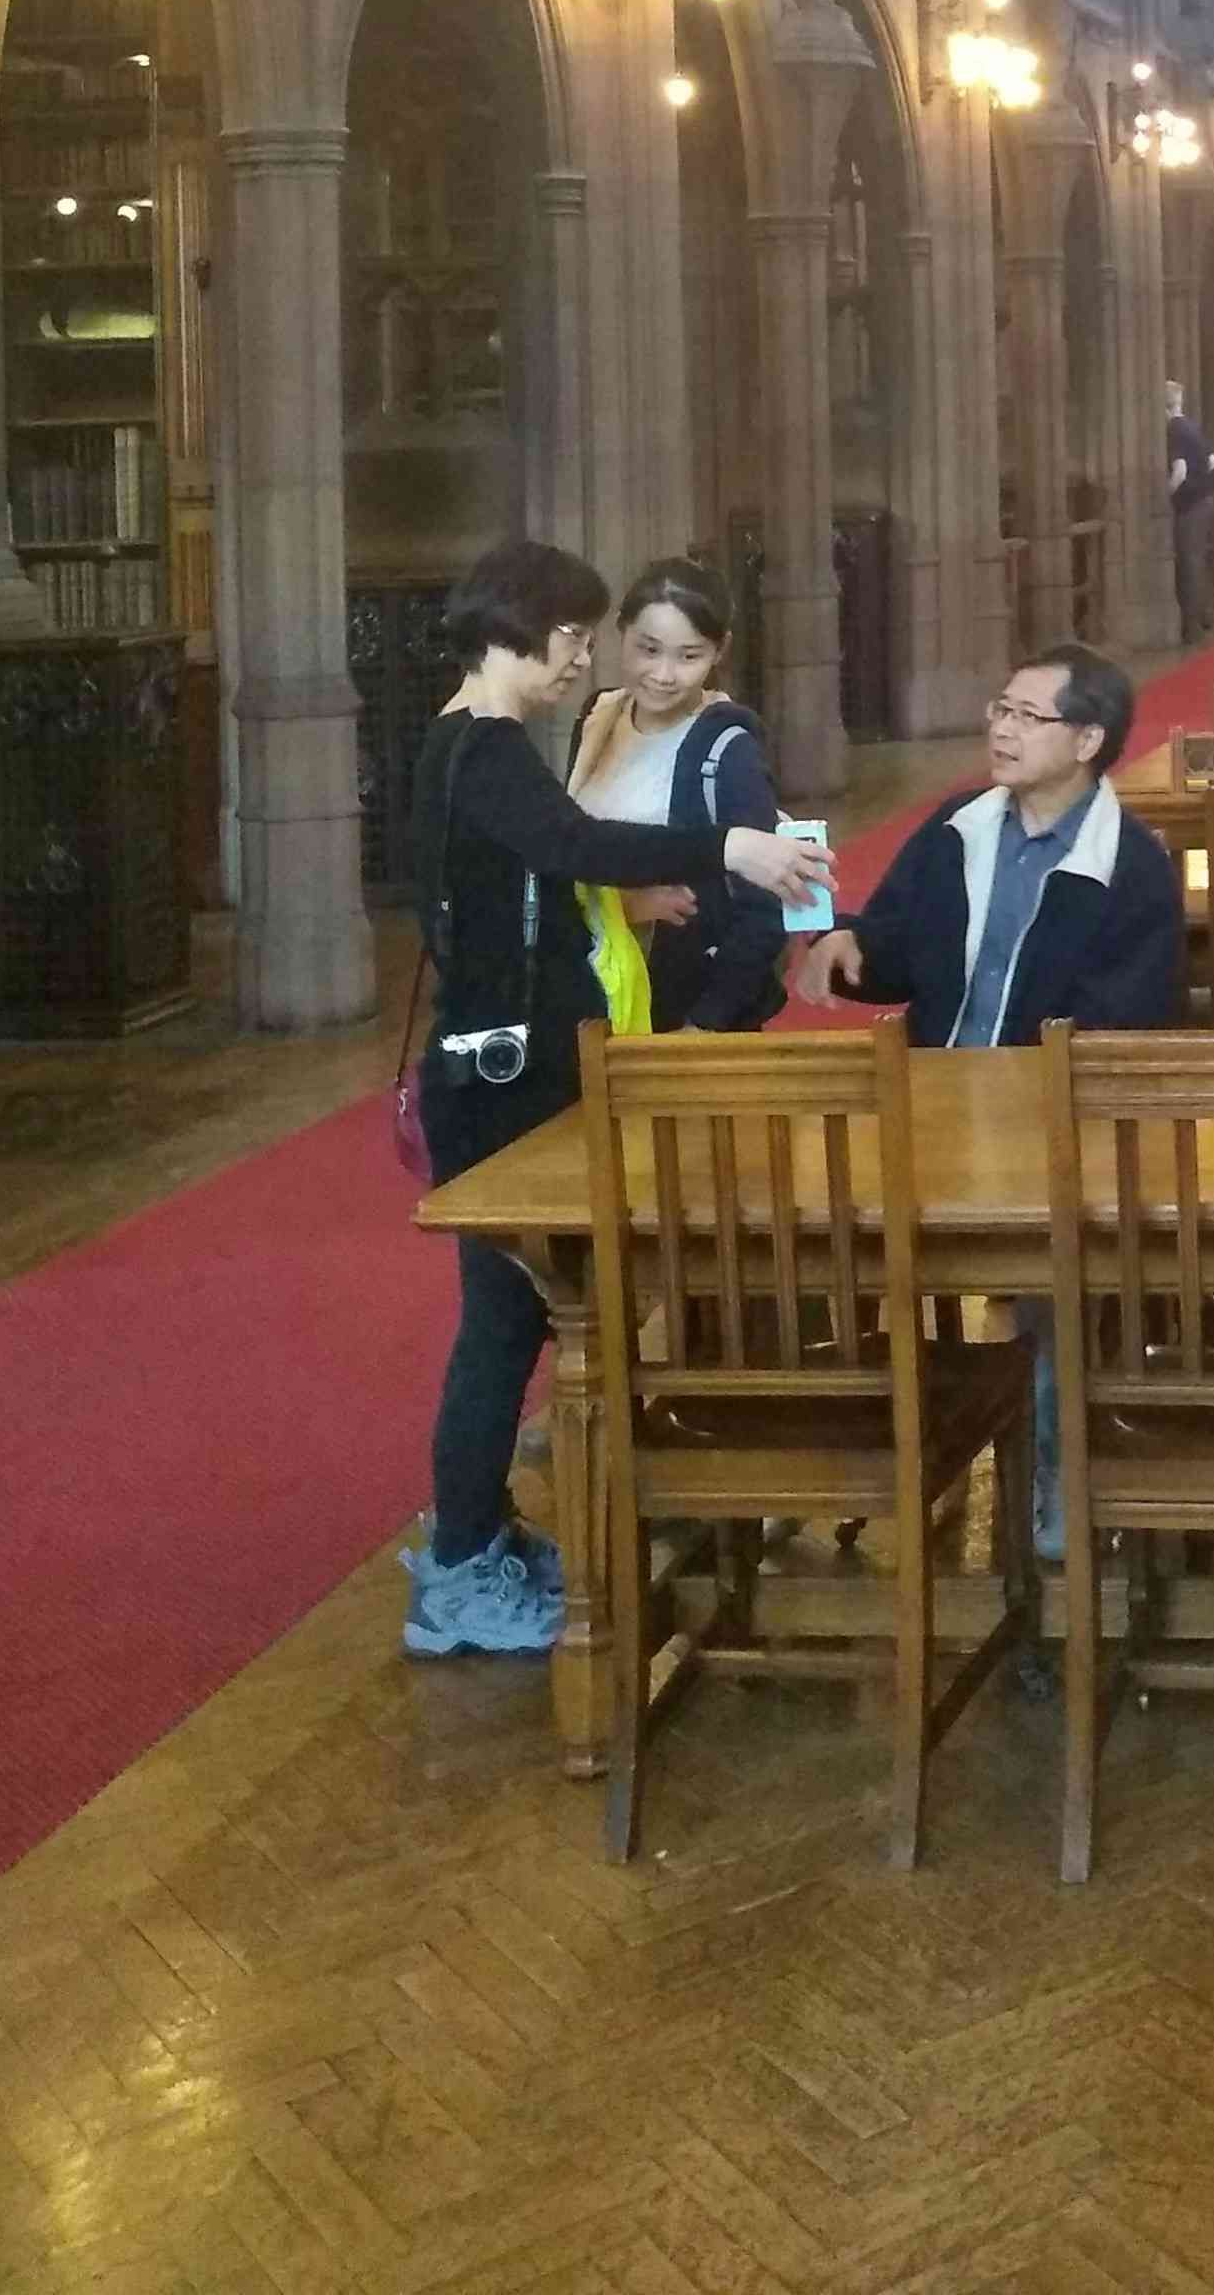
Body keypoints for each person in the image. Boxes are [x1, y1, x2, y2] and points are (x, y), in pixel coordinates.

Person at [402, 539, 830, 1662]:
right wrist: (728, 841)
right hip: (499, 1086)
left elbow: (538, 874)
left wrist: (628, 894)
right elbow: (573, 839)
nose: (586, 657)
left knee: (520, 1319)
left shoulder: (464, 742)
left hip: (500, 1064)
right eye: (581, 636)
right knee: (501, 1328)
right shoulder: (487, 746)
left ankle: (479, 1535)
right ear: (536, 631)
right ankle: (457, 1570)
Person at [793, 643, 1183, 1554]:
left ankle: (1055, 1481)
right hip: (928, 1108)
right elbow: (894, 943)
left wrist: (1018, 1099)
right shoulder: (955, 830)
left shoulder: (1130, 866)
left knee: (1060, 1283)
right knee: (808, 1226)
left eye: (1027, 716)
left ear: (1088, 739)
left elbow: (1124, 1023)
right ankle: (822, 1452)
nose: (1002, 730)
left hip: (1048, 1124)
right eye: (998, 710)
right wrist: (848, 946)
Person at [565, 555, 787, 1031]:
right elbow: (572, 854)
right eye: (648, 649)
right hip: (595, 1001)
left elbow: (764, 913)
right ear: (620, 631)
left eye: (689, 657)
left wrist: (705, 1025)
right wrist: (627, 907)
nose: (664, 675)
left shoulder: (727, 750)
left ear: (718, 650)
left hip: (678, 1010)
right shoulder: (597, 719)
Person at [1163, 379, 1214, 643]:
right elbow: (1212, 461)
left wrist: (1165, 495)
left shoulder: (1173, 429)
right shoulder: (1193, 426)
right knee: (1198, 560)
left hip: (1190, 504)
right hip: (1206, 500)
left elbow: (1180, 471)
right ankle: (1205, 615)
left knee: (1189, 563)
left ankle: (1192, 626)